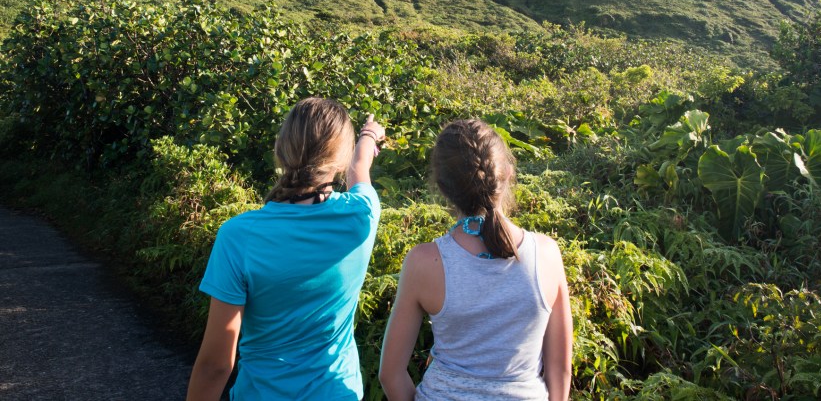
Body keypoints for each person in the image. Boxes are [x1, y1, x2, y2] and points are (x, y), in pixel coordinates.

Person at [186, 97, 386, 401]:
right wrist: (368, 136)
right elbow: (360, 171)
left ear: (280, 148)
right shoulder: (361, 218)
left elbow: (215, 365)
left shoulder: (239, 236)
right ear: (340, 161)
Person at [379, 118, 572, 401]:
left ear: (442, 187)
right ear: (506, 173)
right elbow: (560, 371)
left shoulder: (424, 262)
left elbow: (390, 374)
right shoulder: (547, 254)